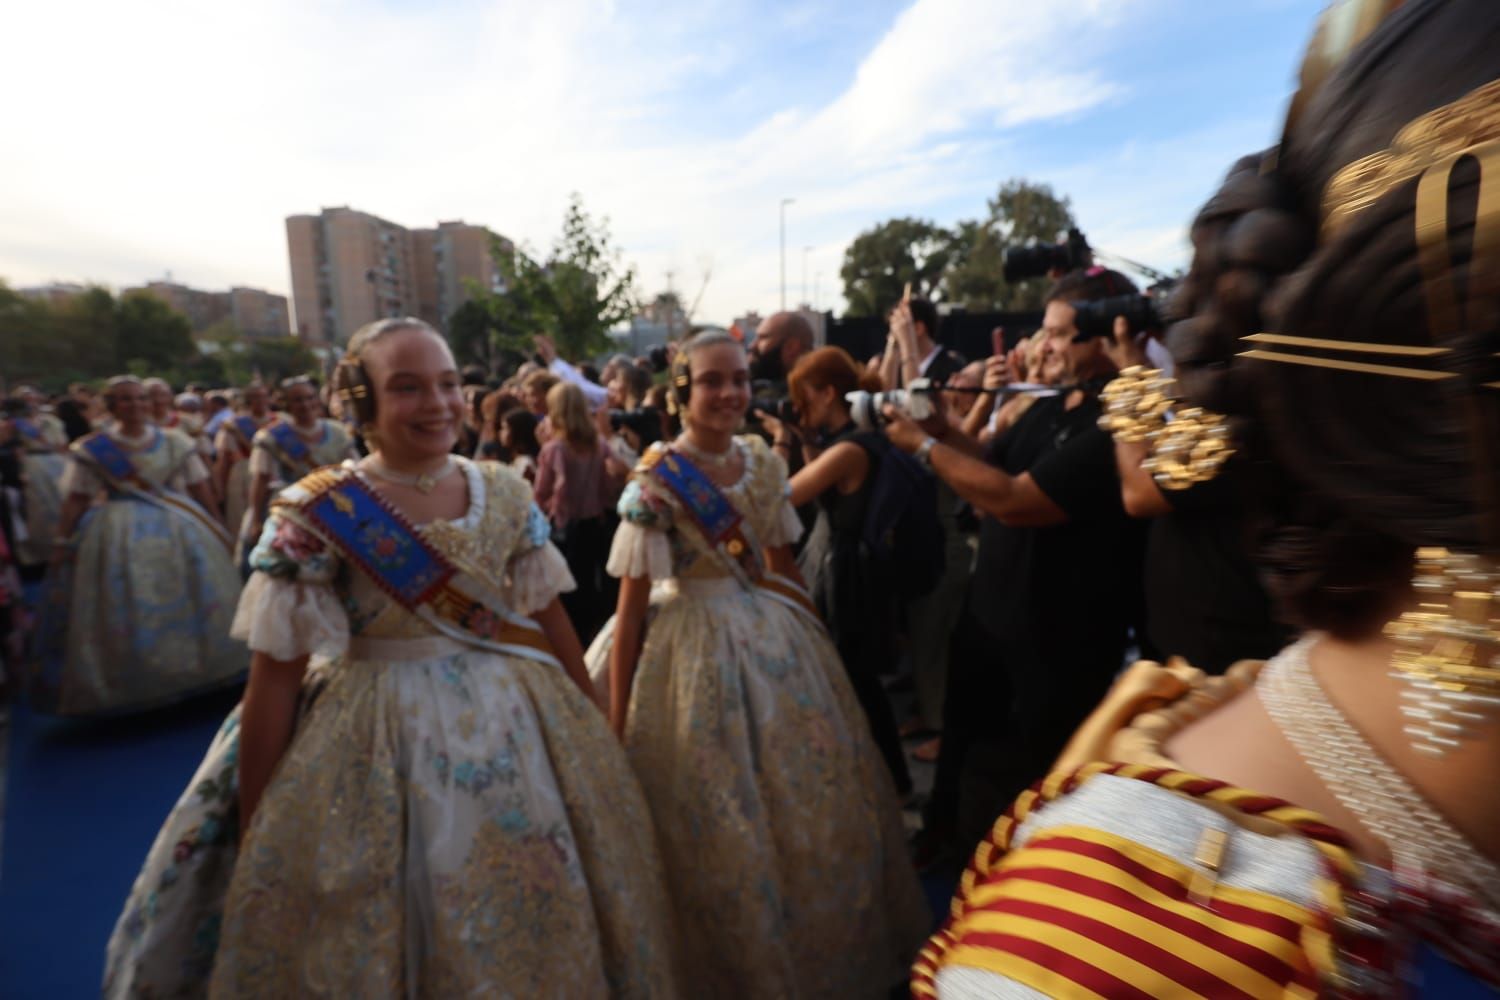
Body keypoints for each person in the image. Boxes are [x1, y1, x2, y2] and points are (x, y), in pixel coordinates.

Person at [916, 3, 1500, 994]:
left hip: (1184, 624)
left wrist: (1130, 378)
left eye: (1067, 330)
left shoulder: (1129, 405)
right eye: (1053, 331)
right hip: (1160, 637)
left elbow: (1148, 481)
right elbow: (1132, 486)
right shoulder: (1130, 946)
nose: (1053, 344)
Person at [104, 318, 680, 997]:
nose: (436, 404)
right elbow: (273, 685)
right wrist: (261, 832)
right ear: (360, 400)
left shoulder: (502, 490)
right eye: (406, 387)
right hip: (370, 738)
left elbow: (549, 621)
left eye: (445, 384)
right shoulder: (317, 513)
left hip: (525, 729)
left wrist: (592, 730)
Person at [586, 331, 927, 998]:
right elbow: (629, 614)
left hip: (773, 647)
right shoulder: (657, 476)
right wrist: (618, 719)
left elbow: (779, 569)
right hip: (681, 651)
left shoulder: (763, 464)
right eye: (713, 380)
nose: (730, 393)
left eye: (739, 378)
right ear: (683, 388)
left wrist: (819, 649)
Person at [884, 268, 1147, 862]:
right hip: (991, 624)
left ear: (1104, 337)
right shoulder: (1052, 403)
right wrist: (933, 423)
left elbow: (1015, 499)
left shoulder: (1115, 421)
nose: (1041, 347)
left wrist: (925, 448)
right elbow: (982, 456)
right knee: (962, 756)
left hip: (1054, 647)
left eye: (1056, 334)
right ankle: (946, 849)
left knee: (1025, 792)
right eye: (1043, 332)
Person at [31, 376, 245, 716]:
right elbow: (77, 498)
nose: (134, 406)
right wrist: (61, 540)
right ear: (112, 406)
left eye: (140, 399)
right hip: (117, 533)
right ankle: (135, 683)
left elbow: (200, 487)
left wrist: (217, 525)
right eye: (125, 400)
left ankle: (205, 670)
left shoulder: (174, 441)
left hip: (180, 526)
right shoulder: (94, 449)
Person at [758, 346, 913, 795]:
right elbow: (832, 491)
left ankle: (891, 782)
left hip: (848, 584)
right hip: (843, 572)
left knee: (855, 683)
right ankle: (883, 778)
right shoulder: (856, 440)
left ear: (827, 393)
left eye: (803, 395)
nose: (798, 405)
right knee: (856, 682)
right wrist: (805, 439)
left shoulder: (850, 449)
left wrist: (780, 441)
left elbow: (781, 495)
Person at [239, 376, 355, 572]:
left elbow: (355, 470)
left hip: (337, 505)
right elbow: (261, 479)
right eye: (298, 400)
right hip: (294, 511)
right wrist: (256, 519)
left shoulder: (338, 432)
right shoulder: (271, 437)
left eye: (310, 398)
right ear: (285, 404)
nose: (305, 404)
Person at [534, 382, 620, 643]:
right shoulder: (598, 444)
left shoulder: (554, 449)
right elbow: (611, 481)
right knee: (592, 591)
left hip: (564, 530)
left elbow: (540, 494)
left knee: (570, 595)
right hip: (595, 525)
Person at [10, 385, 70, 567]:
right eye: (27, 400)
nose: (32, 403)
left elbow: (62, 445)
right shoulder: (13, 422)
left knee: (58, 505)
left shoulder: (51, 421)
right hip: (29, 466)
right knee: (34, 509)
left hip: (54, 465)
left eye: (34, 399)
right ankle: (35, 554)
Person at [213, 383, 276, 535]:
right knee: (241, 523)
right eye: (255, 397)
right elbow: (224, 460)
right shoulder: (234, 424)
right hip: (242, 475)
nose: (259, 401)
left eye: (263, 396)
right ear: (247, 400)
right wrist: (219, 490)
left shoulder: (281, 423)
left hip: (273, 474)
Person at [880, 297, 963, 391]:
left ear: (918, 328)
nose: (894, 334)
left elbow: (917, 400)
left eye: (899, 328)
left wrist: (907, 342)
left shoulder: (951, 366)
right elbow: (882, 396)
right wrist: (892, 347)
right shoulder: (897, 368)